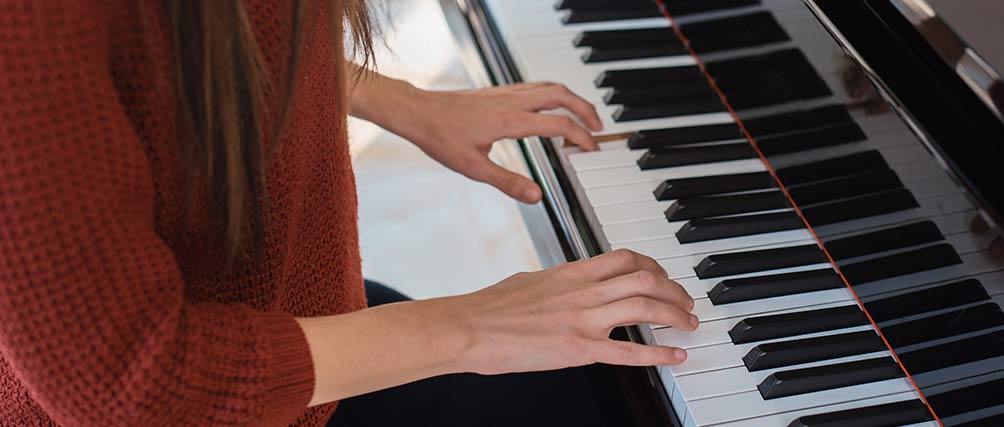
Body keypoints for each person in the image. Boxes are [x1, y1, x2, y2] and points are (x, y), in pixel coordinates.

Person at [0, 1, 697, 426]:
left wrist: (400, 99)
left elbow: (184, 43)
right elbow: (134, 388)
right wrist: (474, 324)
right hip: (208, 393)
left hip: (295, 319)